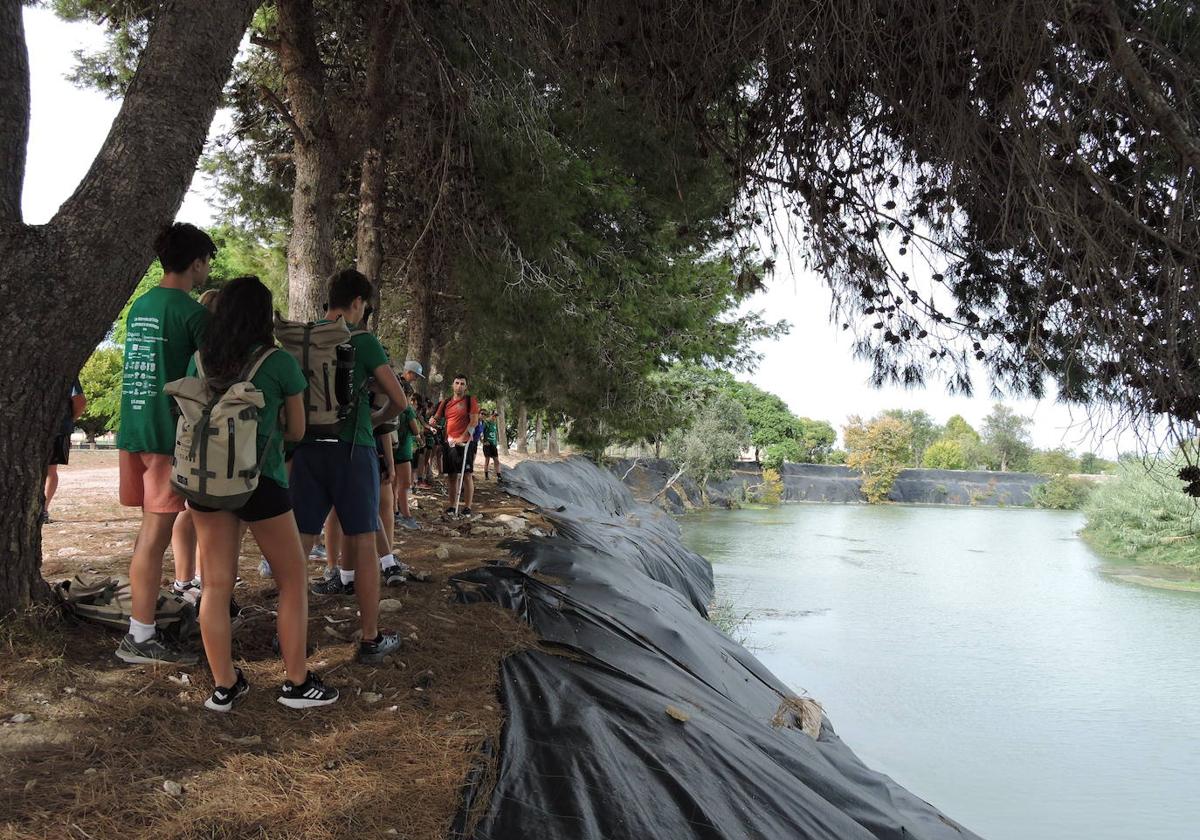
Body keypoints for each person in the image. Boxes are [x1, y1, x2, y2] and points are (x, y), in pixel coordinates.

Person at [183, 276, 338, 711]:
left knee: (214, 586)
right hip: (260, 481)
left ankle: (225, 687)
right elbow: (298, 429)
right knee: (292, 581)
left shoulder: (201, 359)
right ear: (263, 315)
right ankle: (296, 682)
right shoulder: (278, 362)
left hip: (206, 482)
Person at [291, 269, 408, 662]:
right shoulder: (362, 340)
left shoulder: (304, 339)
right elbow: (400, 402)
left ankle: (290, 636)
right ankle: (371, 638)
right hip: (351, 449)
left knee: (301, 544)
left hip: (308, 449)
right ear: (357, 302)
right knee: (362, 542)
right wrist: (373, 421)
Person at [115, 223, 214, 666]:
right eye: (207, 262)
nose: (207, 270)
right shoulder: (192, 313)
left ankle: (145, 625)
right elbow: (219, 369)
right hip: (164, 434)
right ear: (196, 263)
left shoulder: (141, 306)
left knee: (149, 533)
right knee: (153, 538)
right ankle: (140, 637)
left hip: (134, 428)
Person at [434, 375, 480, 516]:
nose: (459, 386)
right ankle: (452, 506)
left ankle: (467, 507)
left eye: (462, 383)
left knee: (467, 475)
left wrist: (462, 437)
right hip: (450, 443)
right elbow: (436, 418)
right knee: (452, 476)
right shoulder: (446, 402)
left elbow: (474, 421)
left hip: (465, 443)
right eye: (457, 383)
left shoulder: (469, 400)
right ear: (452, 385)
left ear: (466, 387)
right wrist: (432, 421)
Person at [43, 377, 86, 524]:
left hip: (57, 430)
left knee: (50, 471)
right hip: (55, 428)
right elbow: (79, 401)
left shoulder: (67, 370)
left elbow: (79, 401)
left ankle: (43, 509)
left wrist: (67, 420)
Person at [481, 409, 502, 481]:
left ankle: (499, 476)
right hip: (487, 445)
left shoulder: (494, 424)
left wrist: (496, 442)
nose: (495, 417)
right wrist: (483, 442)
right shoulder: (486, 423)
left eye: (496, 416)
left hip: (493, 445)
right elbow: (480, 433)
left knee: (496, 460)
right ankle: (486, 476)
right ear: (491, 415)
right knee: (487, 460)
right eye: (494, 416)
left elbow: (495, 434)